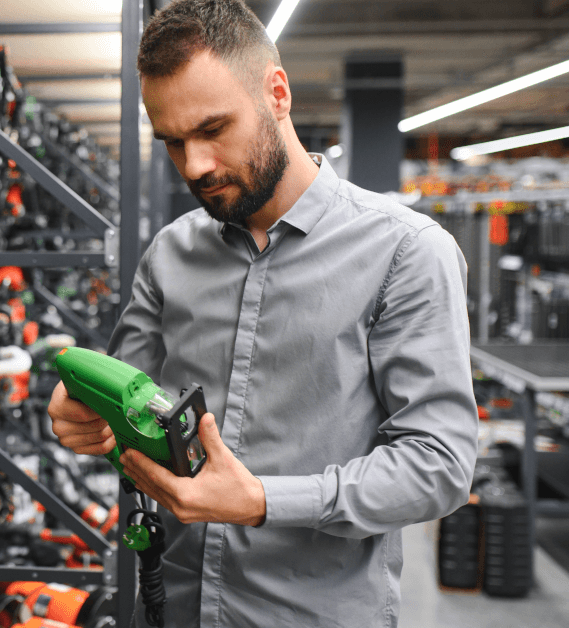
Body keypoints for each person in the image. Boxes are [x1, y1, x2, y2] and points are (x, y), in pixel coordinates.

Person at [47, 0, 478, 626]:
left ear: (277, 93)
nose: (194, 165)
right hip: (172, 608)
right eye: (173, 142)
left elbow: (437, 465)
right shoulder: (170, 254)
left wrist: (263, 501)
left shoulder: (405, 252)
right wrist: (83, 411)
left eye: (213, 130)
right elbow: (127, 399)